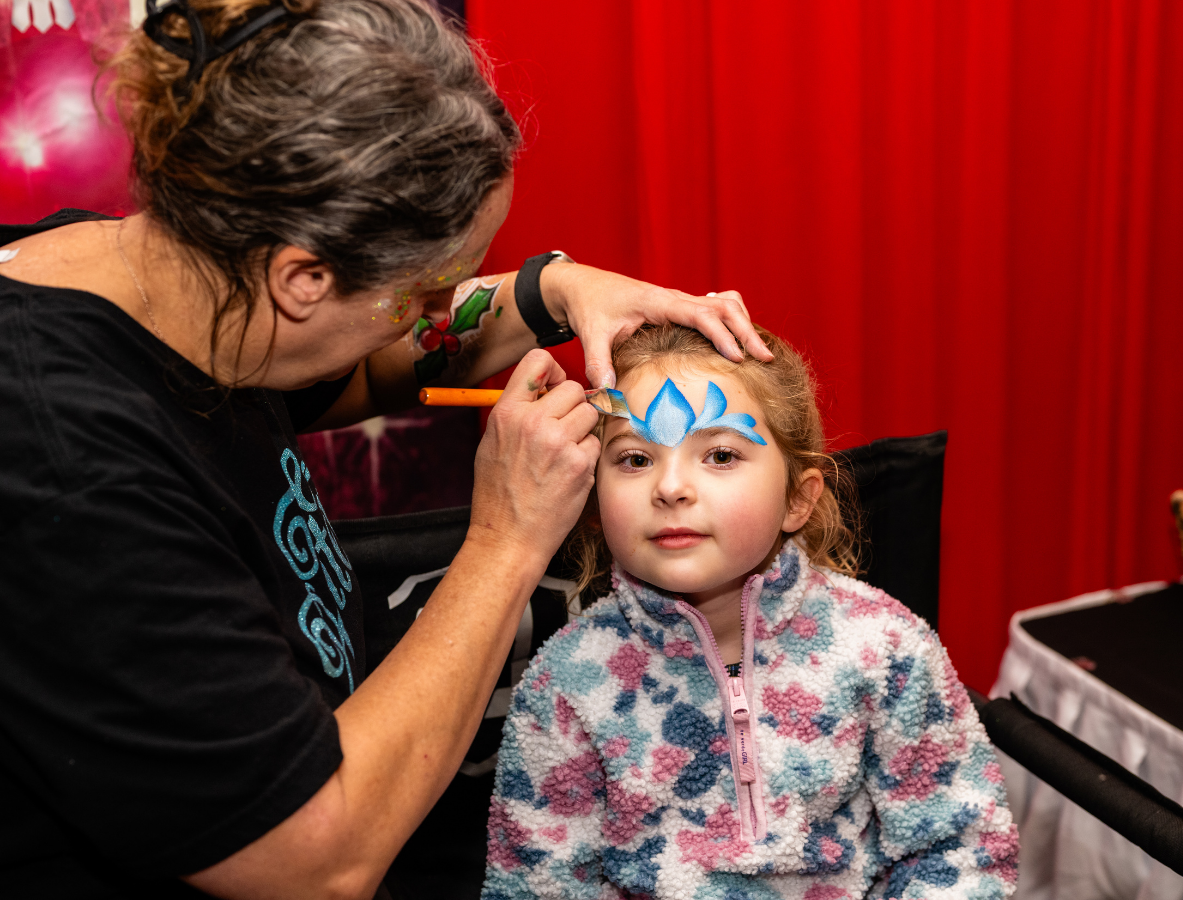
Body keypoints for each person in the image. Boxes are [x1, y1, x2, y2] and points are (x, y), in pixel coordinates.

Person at [0, 1, 774, 897]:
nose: (432, 308)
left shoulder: (176, 284)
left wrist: (551, 293)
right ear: (301, 276)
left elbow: (345, 366)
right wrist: (507, 542)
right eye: (423, 290)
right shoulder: (64, 467)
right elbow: (314, 861)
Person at [483, 324, 1019, 899]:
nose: (670, 487)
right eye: (636, 459)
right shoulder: (566, 682)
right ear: (592, 500)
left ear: (797, 498)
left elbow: (964, 847)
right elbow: (534, 884)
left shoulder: (887, 648)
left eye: (719, 454)